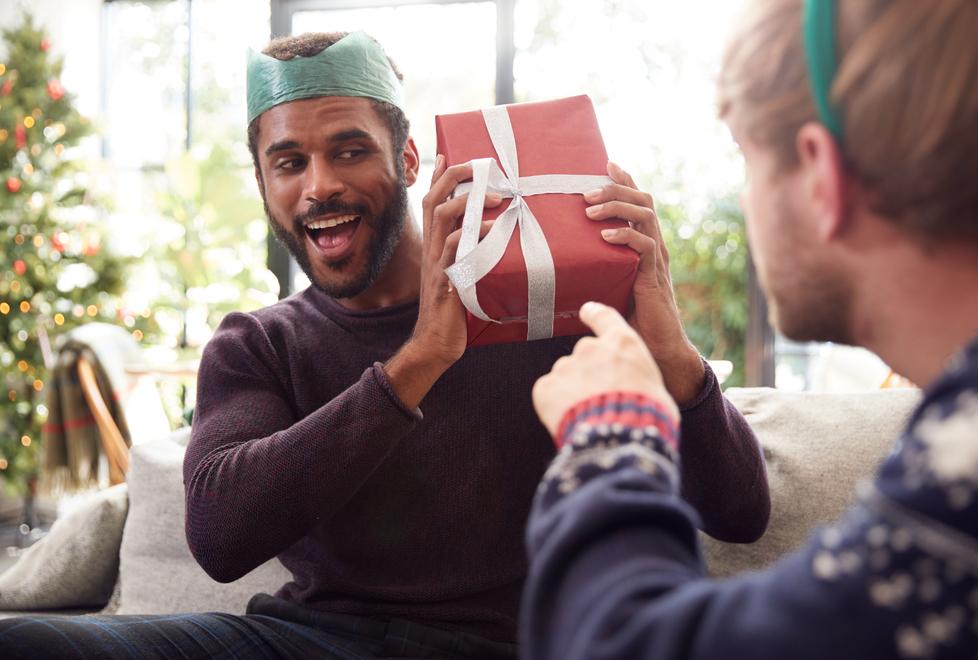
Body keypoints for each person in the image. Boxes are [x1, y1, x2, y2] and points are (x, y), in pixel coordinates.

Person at [0, 31, 768, 659]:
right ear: (265, 183)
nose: (318, 186)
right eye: (289, 163)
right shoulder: (258, 345)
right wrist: (420, 360)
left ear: (407, 161)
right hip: (305, 641)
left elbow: (739, 511)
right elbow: (220, 536)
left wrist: (669, 346)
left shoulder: (549, 309)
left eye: (349, 150)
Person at [522, 0, 978, 658]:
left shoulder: (977, 463)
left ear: (820, 177)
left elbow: (624, 644)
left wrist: (611, 429)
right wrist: (676, 362)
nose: (747, 203)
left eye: (747, 161)